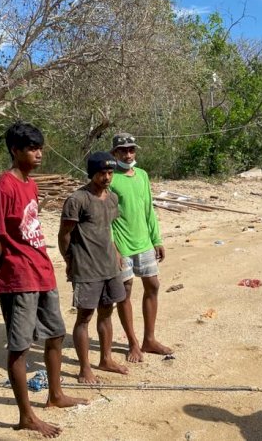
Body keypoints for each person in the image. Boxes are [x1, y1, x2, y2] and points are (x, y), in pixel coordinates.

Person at [0, 122, 85, 438]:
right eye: (31, 148)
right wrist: (10, 270)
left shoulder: (30, 184)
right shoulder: (4, 188)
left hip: (43, 272)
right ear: (15, 151)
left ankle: (55, 395)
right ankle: (25, 415)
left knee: (55, 333)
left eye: (40, 147)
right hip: (20, 279)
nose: (38, 154)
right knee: (20, 347)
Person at [58, 151, 128, 381]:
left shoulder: (112, 198)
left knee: (107, 313)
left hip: (109, 266)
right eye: (101, 173)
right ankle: (84, 368)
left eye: (110, 173)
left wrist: (117, 253)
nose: (107, 177)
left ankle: (105, 359)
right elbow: (64, 234)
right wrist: (69, 261)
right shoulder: (77, 200)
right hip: (86, 268)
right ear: (92, 174)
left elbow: (108, 230)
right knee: (84, 317)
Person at [109, 132, 172, 362]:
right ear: (114, 153)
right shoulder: (110, 178)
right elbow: (106, 217)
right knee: (125, 291)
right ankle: (133, 342)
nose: (128, 154)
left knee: (153, 285)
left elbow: (149, 210)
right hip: (122, 244)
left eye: (131, 149)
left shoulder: (143, 175)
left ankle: (149, 339)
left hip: (144, 241)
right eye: (123, 150)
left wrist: (157, 239)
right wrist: (113, 248)